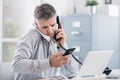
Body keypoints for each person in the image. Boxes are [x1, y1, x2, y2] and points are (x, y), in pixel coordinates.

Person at [12, 3, 76, 80]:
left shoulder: (57, 38)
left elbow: (74, 71)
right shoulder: (30, 36)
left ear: (57, 22)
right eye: (45, 27)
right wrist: (49, 63)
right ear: (36, 24)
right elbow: (16, 65)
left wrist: (62, 46)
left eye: (52, 25)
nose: (50, 31)